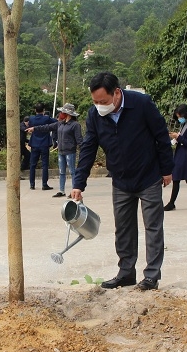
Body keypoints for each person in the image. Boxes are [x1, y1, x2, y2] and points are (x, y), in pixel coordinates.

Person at [72, 72, 174, 291]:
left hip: (148, 176)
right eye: (95, 102)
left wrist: (167, 169)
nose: (99, 106)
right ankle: (126, 273)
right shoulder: (94, 115)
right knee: (123, 228)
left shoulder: (142, 104)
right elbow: (88, 149)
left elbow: (161, 136)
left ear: (116, 93)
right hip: (120, 180)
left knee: (153, 227)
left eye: (103, 101)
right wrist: (79, 183)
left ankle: (151, 276)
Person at [27, 103, 83, 198]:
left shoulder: (75, 125)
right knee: (61, 172)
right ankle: (61, 190)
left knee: (72, 171)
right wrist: (34, 129)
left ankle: (74, 191)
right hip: (61, 151)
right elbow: (47, 127)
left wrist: (83, 151)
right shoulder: (60, 123)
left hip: (70, 151)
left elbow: (79, 139)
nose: (61, 113)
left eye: (62, 112)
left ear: (68, 113)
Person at [27, 102, 56, 190]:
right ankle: (44, 184)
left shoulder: (31, 118)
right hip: (44, 143)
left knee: (32, 164)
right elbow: (55, 122)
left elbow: (29, 125)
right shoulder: (46, 118)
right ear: (43, 110)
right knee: (45, 164)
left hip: (34, 143)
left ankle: (32, 184)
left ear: (35, 110)